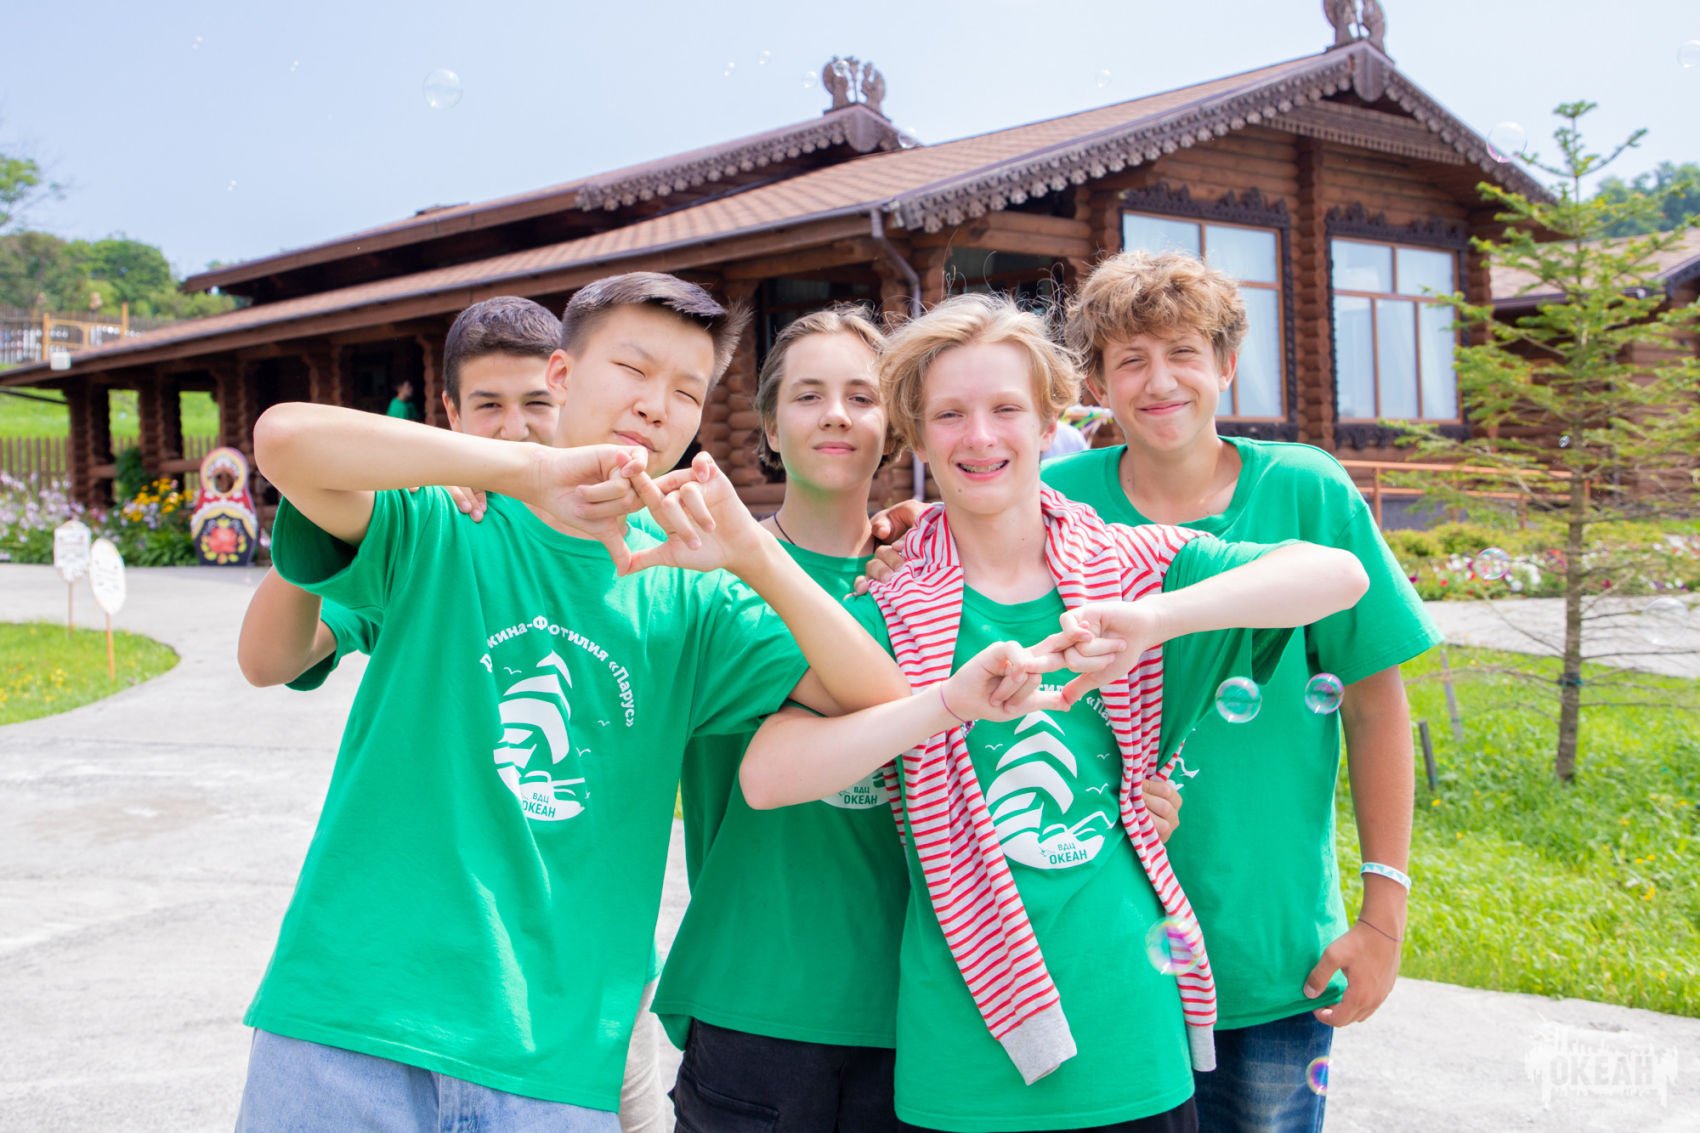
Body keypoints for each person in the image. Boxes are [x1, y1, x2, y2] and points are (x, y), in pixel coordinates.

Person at [235, 272, 909, 1132]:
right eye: (633, 368)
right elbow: (283, 438)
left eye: (687, 391)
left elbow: (881, 701)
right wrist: (522, 466)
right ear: (561, 376)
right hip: (350, 1023)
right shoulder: (446, 518)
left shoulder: (693, 595)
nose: (656, 404)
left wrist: (753, 552)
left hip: (554, 1061)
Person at [739, 293, 1369, 1133]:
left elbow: (1337, 575)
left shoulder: (1135, 569)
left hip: (1135, 1037)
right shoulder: (886, 610)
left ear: (1048, 424)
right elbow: (766, 775)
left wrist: (1155, 619)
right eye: (949, 414)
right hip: (962, 1057)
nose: (980, 436)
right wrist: (943, 704)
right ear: (916, 436)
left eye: (1007, 409)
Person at [236, 296, 669, 1132]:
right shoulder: (433, 520)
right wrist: (346, 506)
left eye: (536, 404)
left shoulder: (649, 551)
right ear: (449, 413)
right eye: (487, 407)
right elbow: (268, 658)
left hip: (583, 988)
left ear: (570, 391)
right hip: (384, 986)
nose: (516, 430)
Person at [1045, 250, 1440, 1131]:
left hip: (1267, 952)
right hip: (1095, 945)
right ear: (1098, 384)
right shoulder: (1053, 501)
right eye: (1130, 360)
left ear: (1226, 364)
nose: (1159, 382)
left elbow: (1375, 704)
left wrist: (1384, 915)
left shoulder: (1304, 489)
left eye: (1184, 352)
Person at [654, 307, 910, 1131]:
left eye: (862, 397)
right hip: (753, 998)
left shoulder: (932, 574)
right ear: (768, 424)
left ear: (894, 423)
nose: (836, 414)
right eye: (808, 395)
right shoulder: (702, 571)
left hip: (919, 1007)